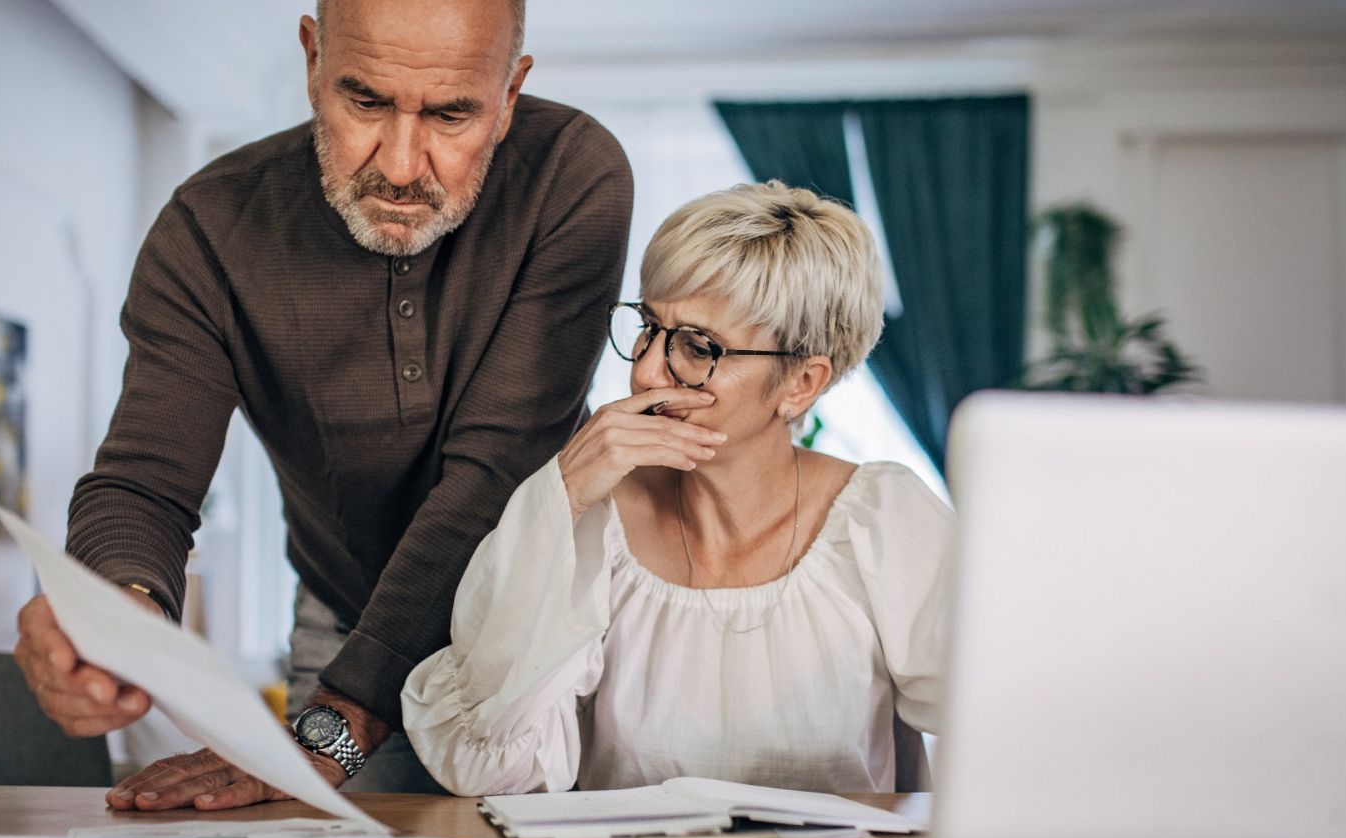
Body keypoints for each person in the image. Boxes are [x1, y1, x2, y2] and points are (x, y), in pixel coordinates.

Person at [11, 0, 633, 808]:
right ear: (312, 60)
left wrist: (342, 721)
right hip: (345, 624)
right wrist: (117, 614)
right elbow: (145, 481)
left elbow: (496, 475)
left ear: (510, 94)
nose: (401, 167)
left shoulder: (571, 175)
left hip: (540, 632)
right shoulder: (209, 228)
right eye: (365, 101)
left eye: (450, 115)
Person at [401, 181, 952, 796]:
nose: (643, 372)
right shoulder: (595, 523)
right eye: (648, 327)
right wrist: (560, 497)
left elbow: (1010, 725)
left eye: (697, 347)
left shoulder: (883, 520)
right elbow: (485, 767)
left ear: (801, 383)